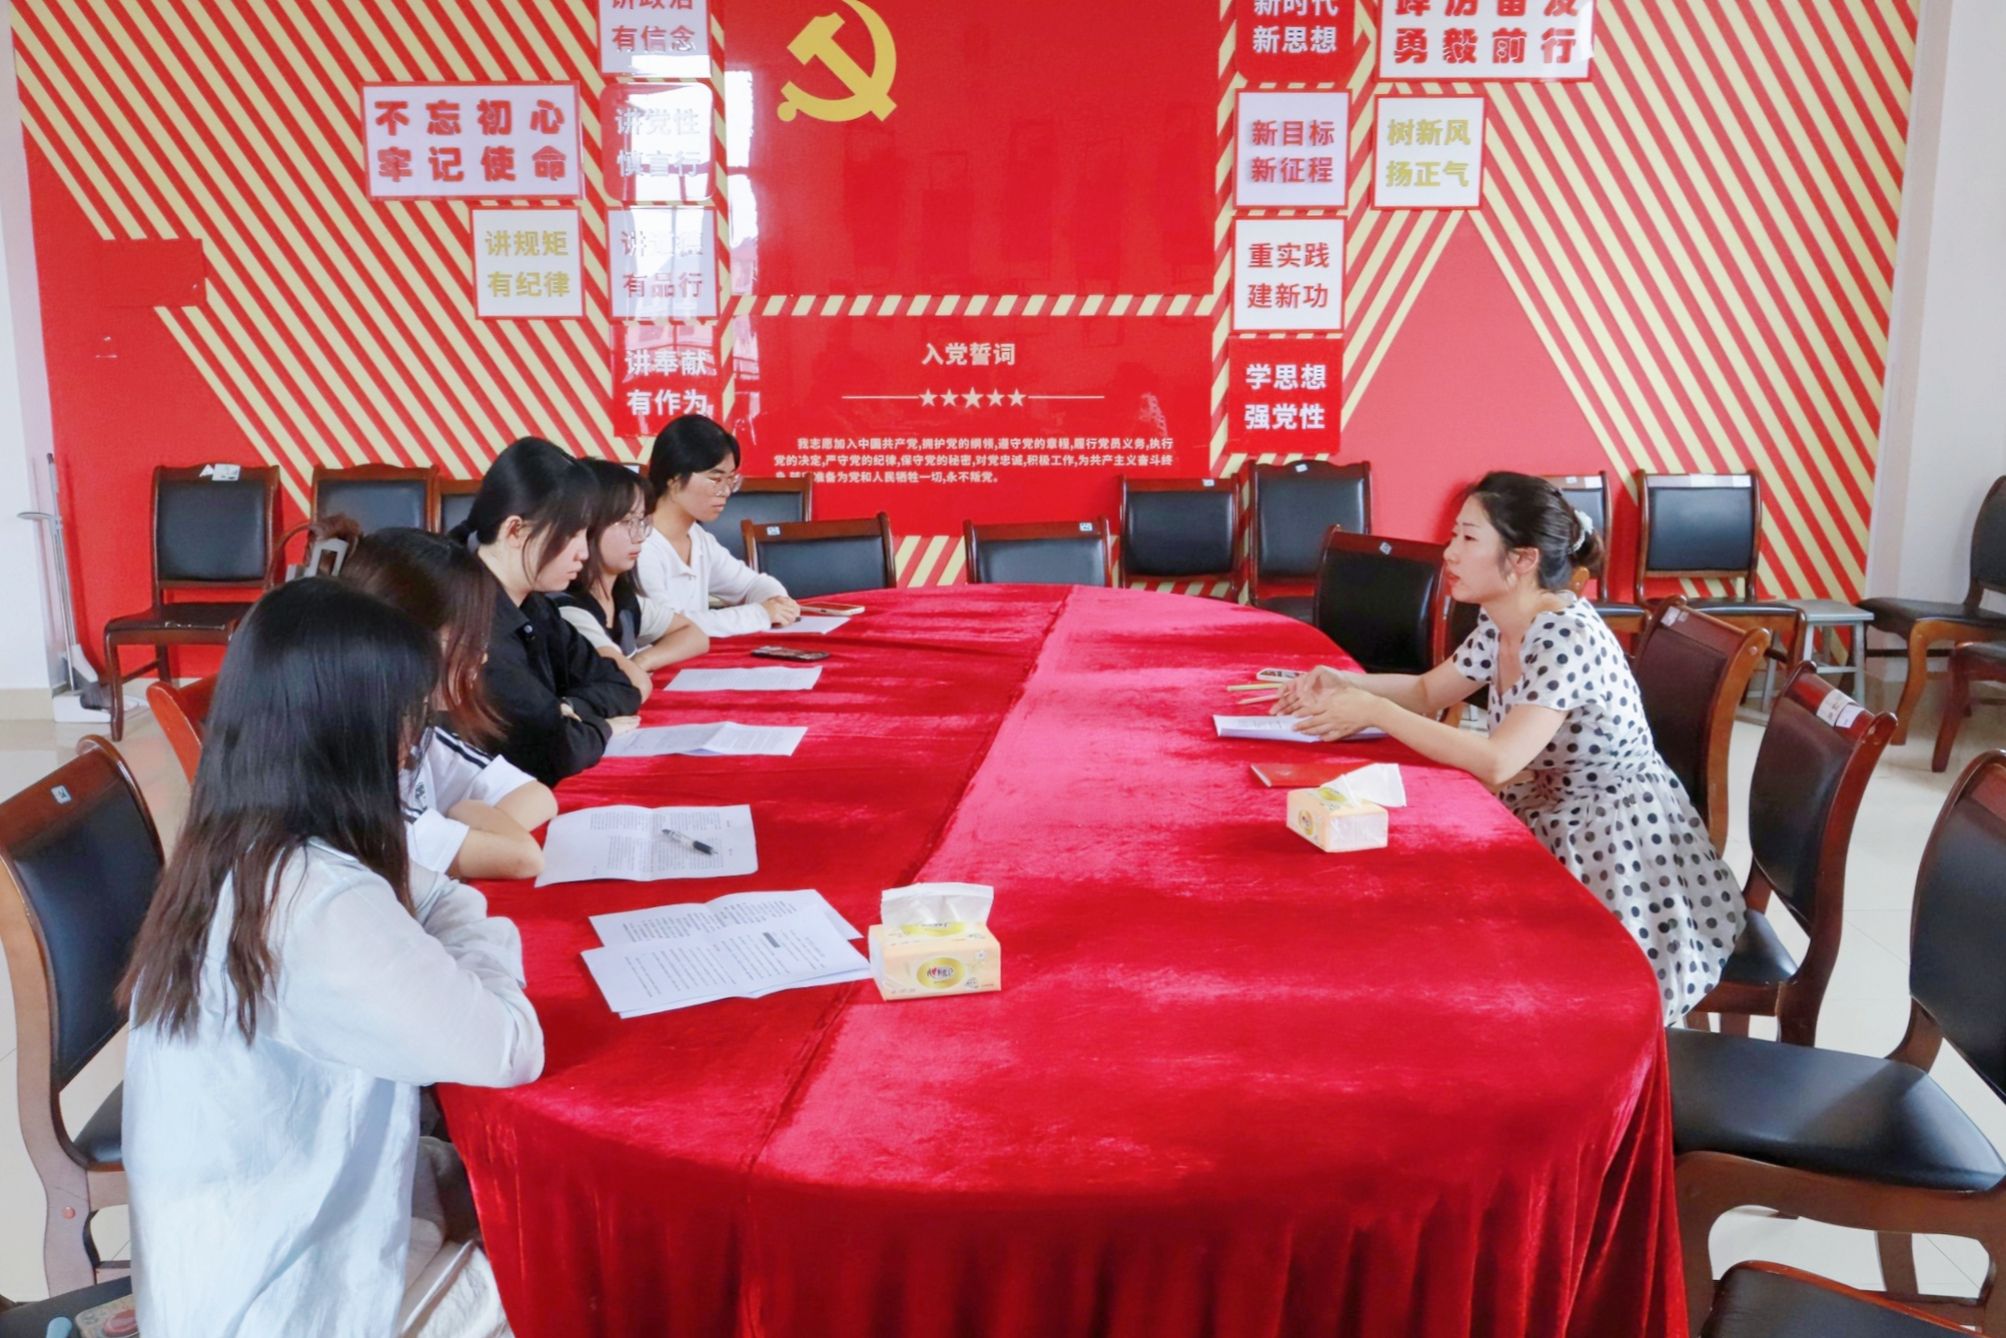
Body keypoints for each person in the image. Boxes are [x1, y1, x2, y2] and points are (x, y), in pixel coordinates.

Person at [121, 578, 544, 1335]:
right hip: (289, 1296)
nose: (411, 748)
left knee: (502, 1183)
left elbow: (437, 897)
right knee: (575, 1261)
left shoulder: (240, 843)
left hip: (239, 1245)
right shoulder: (315, 898)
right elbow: (509, 1045)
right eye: (404, 722)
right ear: (347, 732)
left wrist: (449, 925)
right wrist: (478, 945)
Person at [1275, 471, 1742, 1023]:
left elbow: (1500, 761)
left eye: (1468, 538)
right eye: (1455, 535)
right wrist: (1347, 682)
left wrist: (1374, 711)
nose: (1449, 553)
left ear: (1522, 560)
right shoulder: (1504, 620)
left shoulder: (1566, 636)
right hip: (1552, 810)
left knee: (1465, 942)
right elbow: (1427, 692)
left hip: (1615, 847)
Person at [337, 524, 559, 880]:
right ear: (403, 640)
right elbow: (522, 858)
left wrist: (463, 826)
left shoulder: (413, 728)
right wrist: (471, 823)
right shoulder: (348, 767)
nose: (482, 657)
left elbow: (536, 796)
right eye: (468, 639)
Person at [449, 437, 643, 785]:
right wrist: (596, 728)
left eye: (586, 534)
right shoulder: (469, 618)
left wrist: (566, 710)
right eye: (571, 535)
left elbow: (621, 685)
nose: (584, 553)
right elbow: (554, 751)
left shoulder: (535, 604)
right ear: (515, 530)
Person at [555, 457, 710, 699]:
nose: (639, 536)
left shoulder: (622, 600)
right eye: (627, 522)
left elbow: (695, 635)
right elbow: (628, 682)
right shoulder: (567, 610)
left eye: (641, 521)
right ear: (587, 525)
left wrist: (643, 660)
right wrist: (634, 669)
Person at [636, 414, 801, 639]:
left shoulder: (698, 538)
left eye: (731, 480)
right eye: (715, 479)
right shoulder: (639, 543)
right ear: (674, 478)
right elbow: (668, 626)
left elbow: (752, 584)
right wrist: (760, 614)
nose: (725, 491)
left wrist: (777, 602)